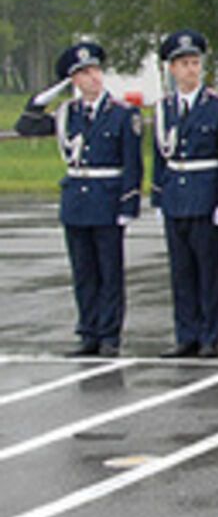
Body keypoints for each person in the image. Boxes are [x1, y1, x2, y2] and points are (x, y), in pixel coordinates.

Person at [52, 41, 143, 357]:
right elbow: (27, 123)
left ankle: (108, 334)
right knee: (83, 272)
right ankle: (88, 331)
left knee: (109, 272)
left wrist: (128, 203)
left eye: (95, 70)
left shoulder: (121, 113)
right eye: (83, 73)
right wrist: (47, 96)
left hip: (107, 199)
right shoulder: (67, 114)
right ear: (73, 80)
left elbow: (132, 163)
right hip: (77, 200)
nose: (93, 77)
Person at [152, 29, 218, 358]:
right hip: (175, 196)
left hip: (206, 192)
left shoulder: (217, 107)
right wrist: (157, 196)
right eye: (183, 63)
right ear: (171, 68)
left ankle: (211, 335)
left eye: (194, 62)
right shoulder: (164, 109)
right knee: (181, 271)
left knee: (208, 269)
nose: (190, 69)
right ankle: (186, 333)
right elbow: (159, 156)